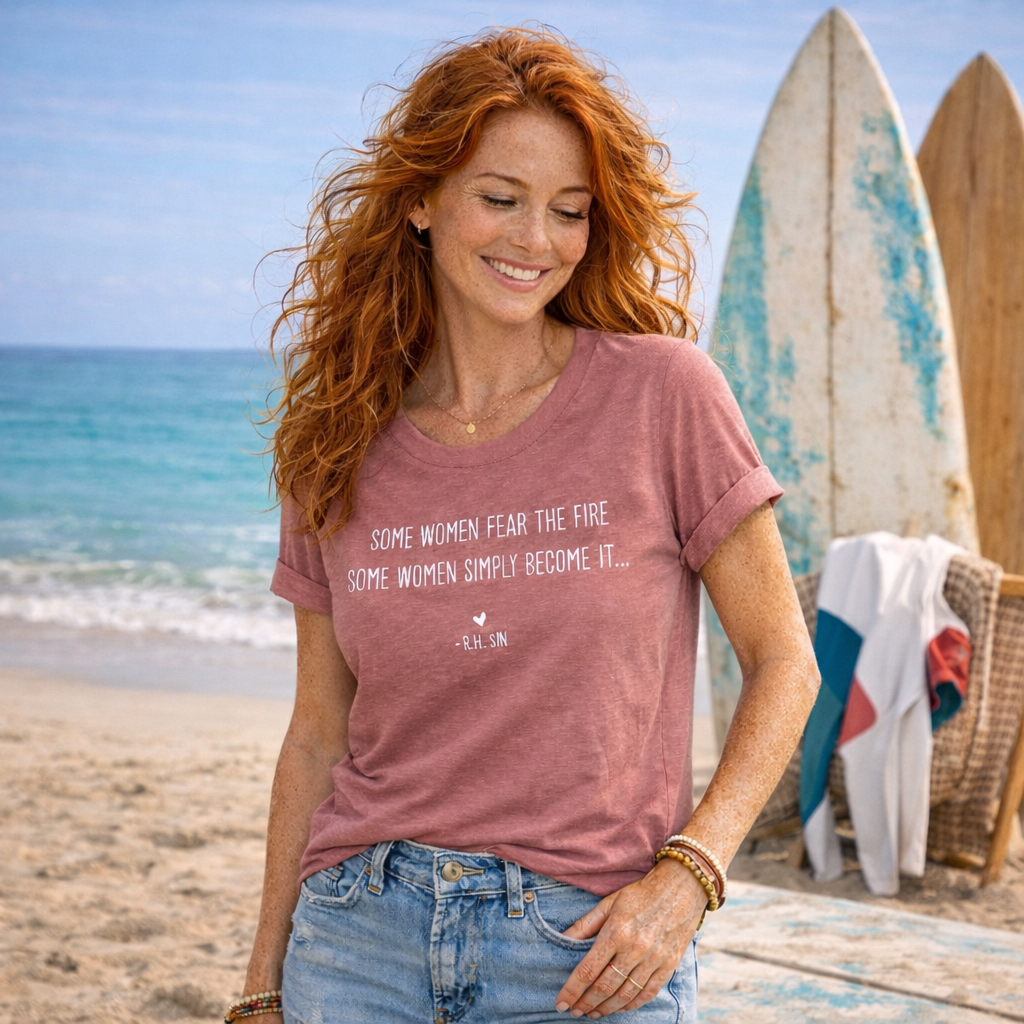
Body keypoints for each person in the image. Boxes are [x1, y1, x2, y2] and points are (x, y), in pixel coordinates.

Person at [233, 27, 819, 1024]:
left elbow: (783, 664)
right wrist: (259, 985)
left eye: (568, 211)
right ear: (419, 200)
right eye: (499, 199)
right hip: (356, 934)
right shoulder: (338, 436)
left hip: (586, 951)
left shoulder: (662, 395)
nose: (533, 240)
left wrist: (689, 876)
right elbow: (318, 735)